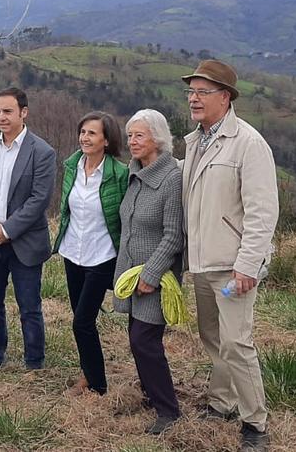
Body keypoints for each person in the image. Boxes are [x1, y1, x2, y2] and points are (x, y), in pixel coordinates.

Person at [180, 60, 277, 452]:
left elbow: (262, 212)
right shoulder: (196, 141)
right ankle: (222, 402)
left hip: (232, 267)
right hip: (202, 264)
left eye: (203, 92)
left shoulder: (249, 144)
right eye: (191, 92)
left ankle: (256, 424)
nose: (194, 99)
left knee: (237, 343)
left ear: (226, 97)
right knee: (212, 337)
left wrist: (248, 265)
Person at [0, 87, 57, 369]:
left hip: (25, 243)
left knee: (29, 307)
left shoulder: (42, 151)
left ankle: (34, 362)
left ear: (23, 113)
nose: (2, 117)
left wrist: (8, 230)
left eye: (7, 111)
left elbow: (39, 199)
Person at [114, 109, 184, 435]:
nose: (132, 142)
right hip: (131, 274)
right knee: (136, 338)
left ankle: (168, 411)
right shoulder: (135, 174)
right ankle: (150, 394)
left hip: (154, 278)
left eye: (139, 135)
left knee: (145, 341)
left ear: (157, 138)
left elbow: (173, 234)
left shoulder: (170, 178)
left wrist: (151, 274)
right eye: (130, 136)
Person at [53, 111, 128, 396]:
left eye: (92, 133)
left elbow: (124, 217)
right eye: (82, 132)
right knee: (81, 318)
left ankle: (97, 384)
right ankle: (88, 372)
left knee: (82, 321)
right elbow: (66, 208)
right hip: (73, 252)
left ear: (107, 140)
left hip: (101, 255)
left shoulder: (119, 174)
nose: (84, 137)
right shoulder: (72, 166)